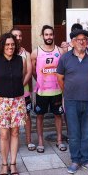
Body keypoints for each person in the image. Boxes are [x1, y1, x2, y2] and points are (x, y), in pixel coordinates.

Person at [57, 29, 88, 174]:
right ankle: (75, 160)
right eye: (78, 39)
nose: (81, 41)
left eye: (84, 39)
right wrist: (69, 92)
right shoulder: (65, 58)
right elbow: (60, 78)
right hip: (71, 101)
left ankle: (87, 160)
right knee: (74, 133)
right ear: (72, 42)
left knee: (87, 132)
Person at [0, 32, 27, 175]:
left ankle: (13, 163)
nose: (10, 47)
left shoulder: (21, 60)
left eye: (12, 44)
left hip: (17, 100)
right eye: (7, 44)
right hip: (0, 101)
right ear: (2, 46)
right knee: (4, 134)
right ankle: (4, 164)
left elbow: (21, 77)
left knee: (15, 132)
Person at [31, 25, 66, 153]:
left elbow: (64, 70)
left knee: (58, 115)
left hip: (57, 90)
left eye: (51, 34)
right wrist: (40, 79)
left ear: (54, 36)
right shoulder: (36, 52)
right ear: (42, 36)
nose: (49, 37)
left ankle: (59, 140)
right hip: (42, 91)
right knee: (40, 116)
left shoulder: (60, 51)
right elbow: (33, 71)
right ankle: (40, 141)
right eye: (46, 34)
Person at [10, 27, 35, 151]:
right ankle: (14, 141)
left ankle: (29, 141)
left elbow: (29, 72)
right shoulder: (6, 52)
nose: (18, 38)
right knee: (11, 117)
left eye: (20, 36)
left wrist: (19, 87)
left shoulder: (26, 54)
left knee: (27, 116)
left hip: (23, 91)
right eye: (15, 35)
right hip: (9, 93)